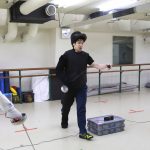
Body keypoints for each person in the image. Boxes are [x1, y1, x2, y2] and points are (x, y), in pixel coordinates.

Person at [56, 31, 111, 140]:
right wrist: (65, 81)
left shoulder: (85, 56)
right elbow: (58, 70)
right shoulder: (66, 55)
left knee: (81, 109)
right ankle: (64, 119)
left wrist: (105, 65)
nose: (81, 44)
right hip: (69, 88)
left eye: (82, 42)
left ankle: (82, 132)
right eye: (78, 42)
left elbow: (96, 65)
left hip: (81, 87)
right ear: (73, 44)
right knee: (66, 107)